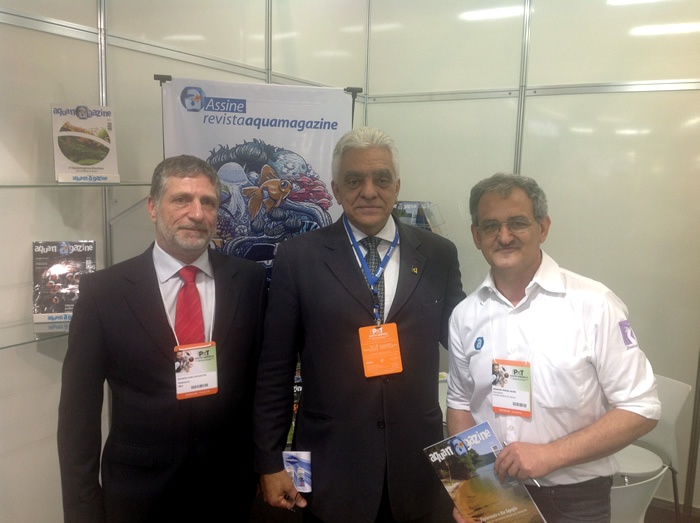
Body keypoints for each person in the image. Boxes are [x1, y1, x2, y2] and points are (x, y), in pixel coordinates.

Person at [253, 127, 466, 522]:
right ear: (336, 189)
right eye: (354, 181)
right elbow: (275, 368)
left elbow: (466, 348)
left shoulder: (438, 254)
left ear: (397, 186)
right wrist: (270, 460)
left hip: (418, 467)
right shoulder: (299, 257)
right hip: (333, 465)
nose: (369, 191)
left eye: (381, 179)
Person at [57, 155, 267, 522]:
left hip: (229, 492)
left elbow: (261, 385)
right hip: (139, 496)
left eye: (208, 202)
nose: (197, 213)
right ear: (153, 207)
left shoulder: (249, 281)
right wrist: (84, 512)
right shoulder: (103, 293)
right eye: (181, 199)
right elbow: (78, 417)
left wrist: (267, 466)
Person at [447, 173, 661, 522]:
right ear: (476, 235)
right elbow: (459, 404)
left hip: (576, 501)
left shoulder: (594, 304)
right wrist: (473, 487)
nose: (504, 236)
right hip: (496, 490)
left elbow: (642, 408)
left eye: (518, 223)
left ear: (543, 228)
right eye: (491, 226)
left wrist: (550, 455)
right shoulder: (465, 315)